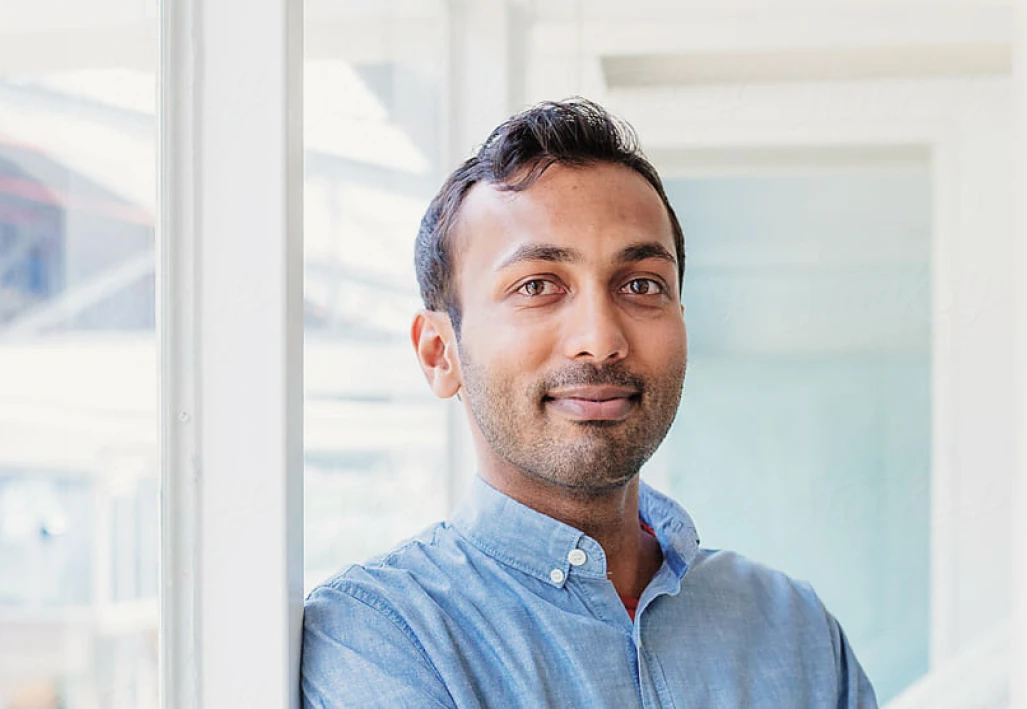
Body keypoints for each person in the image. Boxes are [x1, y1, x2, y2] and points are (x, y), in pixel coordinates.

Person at [300, 99, 877, 708]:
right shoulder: (380, 636)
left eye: (642, 285)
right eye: (538, 286)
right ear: (440, 353)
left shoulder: (796, 629)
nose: (600, 340)